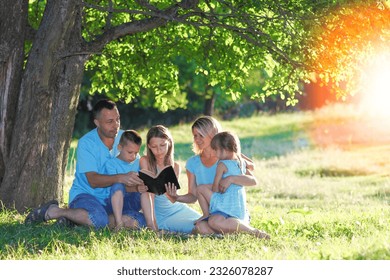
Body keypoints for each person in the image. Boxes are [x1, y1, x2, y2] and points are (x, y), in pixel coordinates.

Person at [25, 99, 146, 229]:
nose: (116, 125)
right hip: (87, 195)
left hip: (115, 197)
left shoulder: (124, 137)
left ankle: (78, 218)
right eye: (110, 121)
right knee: (100, 221)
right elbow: (93, 180)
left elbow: (136, 164)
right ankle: (56, 211)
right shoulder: (86, 143)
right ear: (97, 123)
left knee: (142, 219)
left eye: (118, 119)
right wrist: (121, 177)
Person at [165, 116, 265, 237]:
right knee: (201, 227)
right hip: (215, 214)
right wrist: (176, 197)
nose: (197, 139)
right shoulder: (192, 163)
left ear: (213, 134)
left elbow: (252, 180)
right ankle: (228, 233)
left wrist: (230, 179)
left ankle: (242, 229)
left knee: (213, 224)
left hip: (234, 210)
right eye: (195, 135)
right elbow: (193, 196)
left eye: (201, 135)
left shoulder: (228, 156)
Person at [196, 131, 270, 239]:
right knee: (201, 226)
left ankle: (251, 231)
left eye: (216, 150)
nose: (214, 153)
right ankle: (232, 231)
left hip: (224, 204)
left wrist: (229, 180)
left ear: (224, 150)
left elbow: (215, 189)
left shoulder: (222, 164)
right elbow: (253, 174)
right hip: (237, 207)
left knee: (201, 191)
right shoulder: (241, 162)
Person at [139, 125, 201, 234]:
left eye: (163, 145)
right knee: (198, 229)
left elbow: (172, 199)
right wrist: (153, 224)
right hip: (161, 214)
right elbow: (149, 195)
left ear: (169, 143)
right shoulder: (145, 161)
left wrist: (174, 196)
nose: (159, 150)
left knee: (205, 223)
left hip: (177, 208)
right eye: (154, 147)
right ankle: (158, 228)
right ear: (148, 146)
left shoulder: (175, 166)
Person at [104, 130, 157, 231]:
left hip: (132, 203)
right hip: (114, 201)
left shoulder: (138, 162)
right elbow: (116, 186)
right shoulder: (111, 164)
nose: (133, 156)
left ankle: (151, 225)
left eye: (136, 153)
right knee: (118, 185)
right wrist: (136, 187)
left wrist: (143, 184)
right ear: (120, 147)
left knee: (145, 189)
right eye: (130, 152)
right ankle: (119, 223)